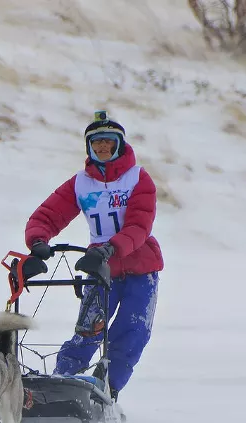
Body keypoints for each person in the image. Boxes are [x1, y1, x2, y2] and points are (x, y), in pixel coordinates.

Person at [23, 111, 163, 401]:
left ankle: (108, 390)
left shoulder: (138, 178)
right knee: (88, 331)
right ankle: (62, 383)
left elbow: (139, 225)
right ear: (89, 147)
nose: (102, 148)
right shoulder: (80, 183)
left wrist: (112, 247)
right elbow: (48, 215)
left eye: (108, 142)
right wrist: (38, 241)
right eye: (96, 143)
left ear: (119, 145)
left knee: (133, 330)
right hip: (100, 268)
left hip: (140, 267)